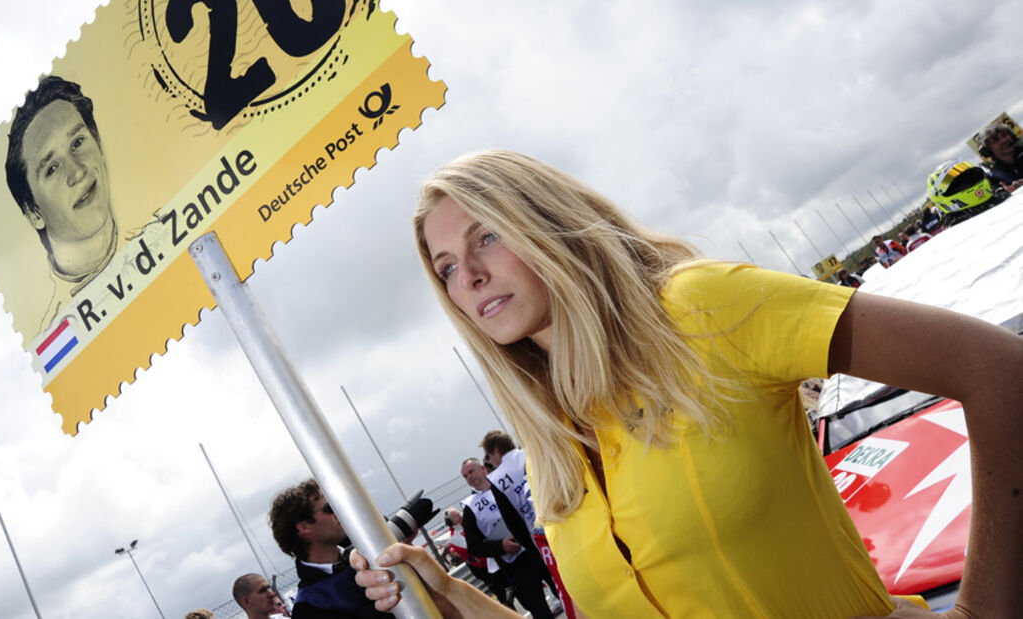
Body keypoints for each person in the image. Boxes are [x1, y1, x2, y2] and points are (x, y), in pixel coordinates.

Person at [352, 149, 1023, 618]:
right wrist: (451, 595)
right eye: (444, 267)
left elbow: (997, 369)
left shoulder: (701, 310)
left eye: (486, 237)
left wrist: (983, 608)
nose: (466, 276)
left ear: (547, 222)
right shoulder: (552, 446)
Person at [5, 75, 118, 330]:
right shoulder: (57, 335)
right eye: (52, 168)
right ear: (34, 212)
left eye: (78, 142)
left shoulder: (170, 229)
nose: (77, 172)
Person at [269, 479, 387, 619]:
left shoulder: (369, 551)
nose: (338, 511)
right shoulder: (309, 607)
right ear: (305, 527)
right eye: (329, 507)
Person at [459, 458, 554, 619]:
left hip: (539, 550)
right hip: (516, 565)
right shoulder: (470, 507)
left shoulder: (503, 483)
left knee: (569, 594)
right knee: (541, 612)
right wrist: (500, 546)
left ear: (482, 469)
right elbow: (474, 547)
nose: (469, 477)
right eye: (465, 476)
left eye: (471, 472)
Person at [442, 506, 513, 607]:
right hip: (483, 569)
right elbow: (475, 548)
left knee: (513, 587)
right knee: (504, 597)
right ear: (450, 522)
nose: (460, 515)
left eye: (459, 513)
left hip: (494, 561)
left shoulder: (468, 524)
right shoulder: (455, 537)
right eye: (457, 516)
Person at [978, 122, 1023, 190]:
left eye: (1004, 135)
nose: (1004, 140)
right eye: (996, 140)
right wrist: (1006, 193)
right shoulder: (995, 176)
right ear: (988, 150)